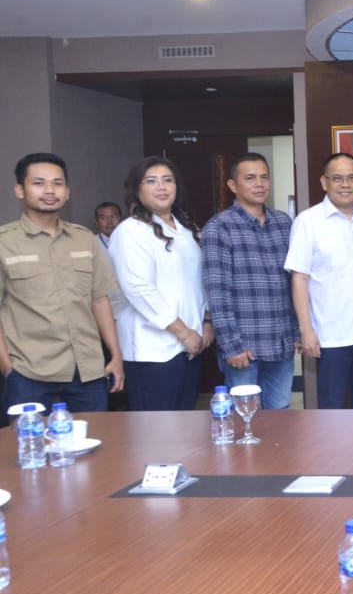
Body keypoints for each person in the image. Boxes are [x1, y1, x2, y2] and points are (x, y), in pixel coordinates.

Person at [0, 153, 124, 423]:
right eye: (39, 183)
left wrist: (115, 355)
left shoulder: (84, 239)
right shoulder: (4, 242)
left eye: (57, 183)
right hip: (29, 371)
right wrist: (9, 369)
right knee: (29, 446)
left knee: (95, 441)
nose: (49, 190)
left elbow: (99, 299)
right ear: (20, 190)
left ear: (67, 192)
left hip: (88, 370)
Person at [109, 157, 213, 410]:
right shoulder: (131, 231)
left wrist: (206, 322)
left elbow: (198, 281)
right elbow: (139, 289)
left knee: (185, 425)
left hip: (190, 346)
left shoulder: (185, 230)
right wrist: (184, 332)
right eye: (151, 181)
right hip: (152, 351)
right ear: (137, 189)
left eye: (168, 180)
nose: (161, 187)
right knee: (156, 428)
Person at [202, 152, 299, 410]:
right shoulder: (219, 227)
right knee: (245, 418)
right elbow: (217, 293)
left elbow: (293, 282)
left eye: (264, 177)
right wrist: (231, 345)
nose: (259, 184)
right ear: (232, 185)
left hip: (281, 342)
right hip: (244, 346)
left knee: (281, 414)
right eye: (250, 178)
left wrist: (297, 331)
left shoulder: (283, 223)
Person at [285, 153, 353, 408]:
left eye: (352, 178)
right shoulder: (308, 222)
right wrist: (306, 330)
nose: (345, 184)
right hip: (331, 337)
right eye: (337, 178)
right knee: (332, 411)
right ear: (324, 182)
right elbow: (299, 278)